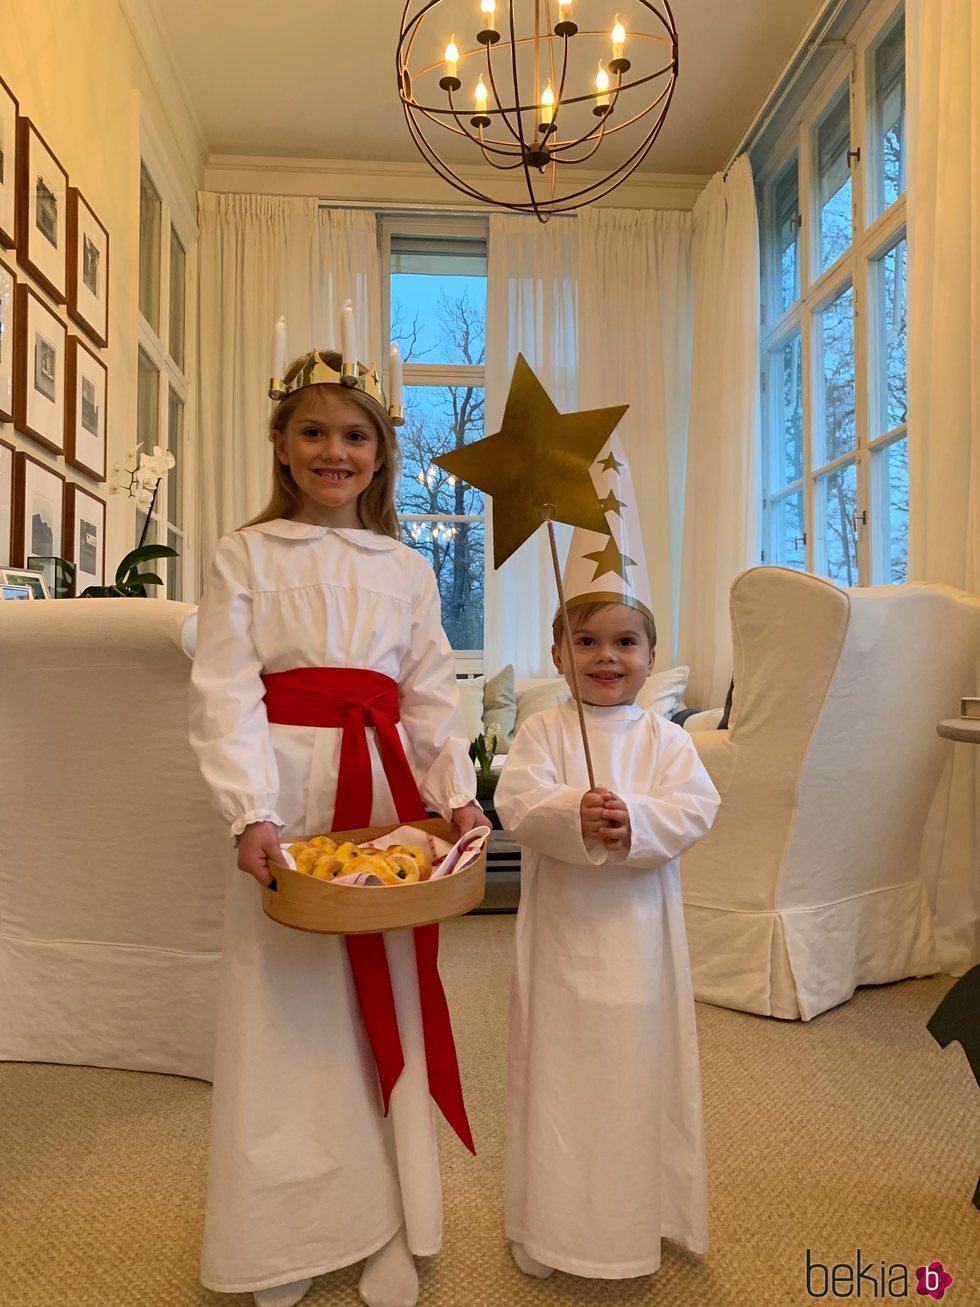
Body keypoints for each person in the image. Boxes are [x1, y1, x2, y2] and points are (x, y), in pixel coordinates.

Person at [188, 343, 488, 1307]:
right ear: (281, 446)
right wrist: (250, 808)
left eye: (355, 435)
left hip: (385, 792)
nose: (334, 451)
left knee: (384, 995)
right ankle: (285, 1230)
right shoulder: (245, 554)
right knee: (285, 1002)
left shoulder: (405, 566)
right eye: (312, 431)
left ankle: (389, 1219)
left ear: (382, 453)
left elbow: (431, 689)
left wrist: (456, 788)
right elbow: (225, 687)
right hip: (287, 784)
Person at [494, 437, 720, 1282]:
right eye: (586, 642)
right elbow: (516, 802)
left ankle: (641, 1213)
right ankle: (549, 1223)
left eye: (625, 643)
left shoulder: (667, 739)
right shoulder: (543, 732)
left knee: (634, 1071)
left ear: (652, 660)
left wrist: (639, 823)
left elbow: (696, 805)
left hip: (641, 943)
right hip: (561, 939)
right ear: (558, 656)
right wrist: (572, 813)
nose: (606, 658)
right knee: (558, 1072)